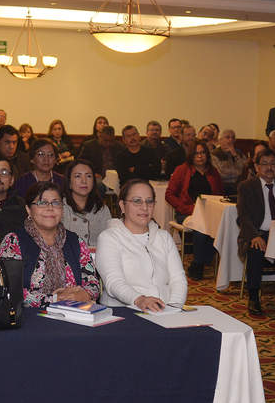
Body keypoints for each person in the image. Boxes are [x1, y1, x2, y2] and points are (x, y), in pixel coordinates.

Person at [0, 182, 101, 307]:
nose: (50, 208)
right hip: (28, 315)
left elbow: (93, 283)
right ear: (28, 209)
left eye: (56, 203)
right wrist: (54, 299)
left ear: (62, 209)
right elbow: (9, 289)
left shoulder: (76, 241)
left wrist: (85, 294)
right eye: (42, 203)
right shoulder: (14, 241)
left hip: (76, 312)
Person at [95, 180, 187, 312]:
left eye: (149, 201)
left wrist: (173, 308)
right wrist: (139, 300)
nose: (144, 207)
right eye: (137, 201)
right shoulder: (109, 238)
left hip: (164, 310)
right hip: (125, 310)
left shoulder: (164, 237)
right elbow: (114, 282)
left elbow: (178, 279)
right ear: (122, 206)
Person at [236, 149, 275, 317]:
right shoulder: (246, 187)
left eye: (272, 164)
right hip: (260, 233)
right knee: (256, 248)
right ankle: (254, 297)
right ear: (256, 167)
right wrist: (254, 236)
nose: (269, 168)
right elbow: (243, 217)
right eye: (264, 164)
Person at [167, 140, 223, 280]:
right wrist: (184, 208)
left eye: (203, 153)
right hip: (186, 212)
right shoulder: (182, 170)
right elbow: (169, 194)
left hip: (210, 213)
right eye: (196, 153)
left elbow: (219, 195)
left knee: (221, 227)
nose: (200, 156)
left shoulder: (213, 172)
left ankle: (201, 261)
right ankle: (198, 263)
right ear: (191, 155)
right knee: (201, 226)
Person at [60, 159, 112, 245]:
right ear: (69, 182)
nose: (84, 181)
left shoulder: (102, 209)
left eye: (88, 176)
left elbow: (110, 241)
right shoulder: (59, 208)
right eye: (78, 176)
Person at [210, 128, 244, 194]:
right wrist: (237, 172)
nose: (231, 140)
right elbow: (221, 174)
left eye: (233, 138)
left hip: (238, 186)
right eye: (227, 137)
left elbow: (243, 169)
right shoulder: (214, 154)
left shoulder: (238, 153)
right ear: (220, 140)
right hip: (222, 186)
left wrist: (235, 155)